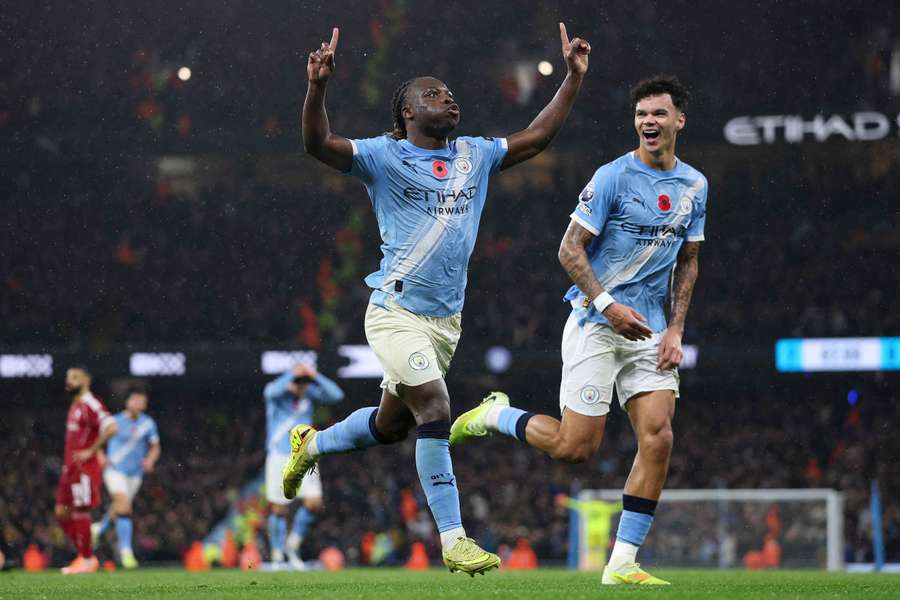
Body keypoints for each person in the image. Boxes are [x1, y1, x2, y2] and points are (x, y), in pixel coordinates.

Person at [282, 23, 591, 576]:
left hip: (445, 322)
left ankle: (312, 446)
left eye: (449, 92)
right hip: (395, 312)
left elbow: (536, 138)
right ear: (406, 114)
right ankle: (454, 540)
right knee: (436, 408)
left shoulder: (476, 154)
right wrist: (317, 88)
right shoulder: (382, 156)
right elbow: (315, 145)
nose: (448, 98)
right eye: (433, 93)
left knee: (391, 426)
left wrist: (571, 78)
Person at [451, 75, 707, 585]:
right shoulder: (612, 176)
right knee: (575, 448)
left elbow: (689, 262)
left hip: (651, 331)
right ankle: (496, 415)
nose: (648, 123)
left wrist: (676, 328)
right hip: (596, 322)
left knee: (658, 439)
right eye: (641, 115)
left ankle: (622, 565)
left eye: (658, 114)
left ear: (680, 119)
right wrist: (609, 306)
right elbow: (569, 249)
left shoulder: (696, 185)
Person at [263, 364, 343, 568]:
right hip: (279, 455)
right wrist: (292, 374)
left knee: (314, 502)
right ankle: (277, 556)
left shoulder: (309, 395)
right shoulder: (278, 396)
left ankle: (293, 545)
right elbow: (269, 391)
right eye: (298, 383)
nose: (301, 386)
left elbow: (336, 395)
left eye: (304, 383)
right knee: (279, 508)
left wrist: (315, 375)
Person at [55, 366, 118, 574]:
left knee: (81, 510)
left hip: (83, 468)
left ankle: (86, 558)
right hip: (69, 468)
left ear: (86, 381)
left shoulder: (91, 403)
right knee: (61, 513)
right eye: (68, 377)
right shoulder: (76, 405)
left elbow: (111, 426)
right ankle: (85, 553)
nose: (70, 381)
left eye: (75, 377)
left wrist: (91, 451)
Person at [92, 387, 160, 569]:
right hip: (115, 470)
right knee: (124, 505)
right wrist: (100, 456)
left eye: (142, 401)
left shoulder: (148, 423)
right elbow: (98, 441)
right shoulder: (114, 421)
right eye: (135, 400)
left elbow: (155, 447)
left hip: (135, 474)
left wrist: (150, 460)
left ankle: (98, 528)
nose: (139, 403)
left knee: (120, 508)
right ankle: (126, 553)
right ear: (127, 402)